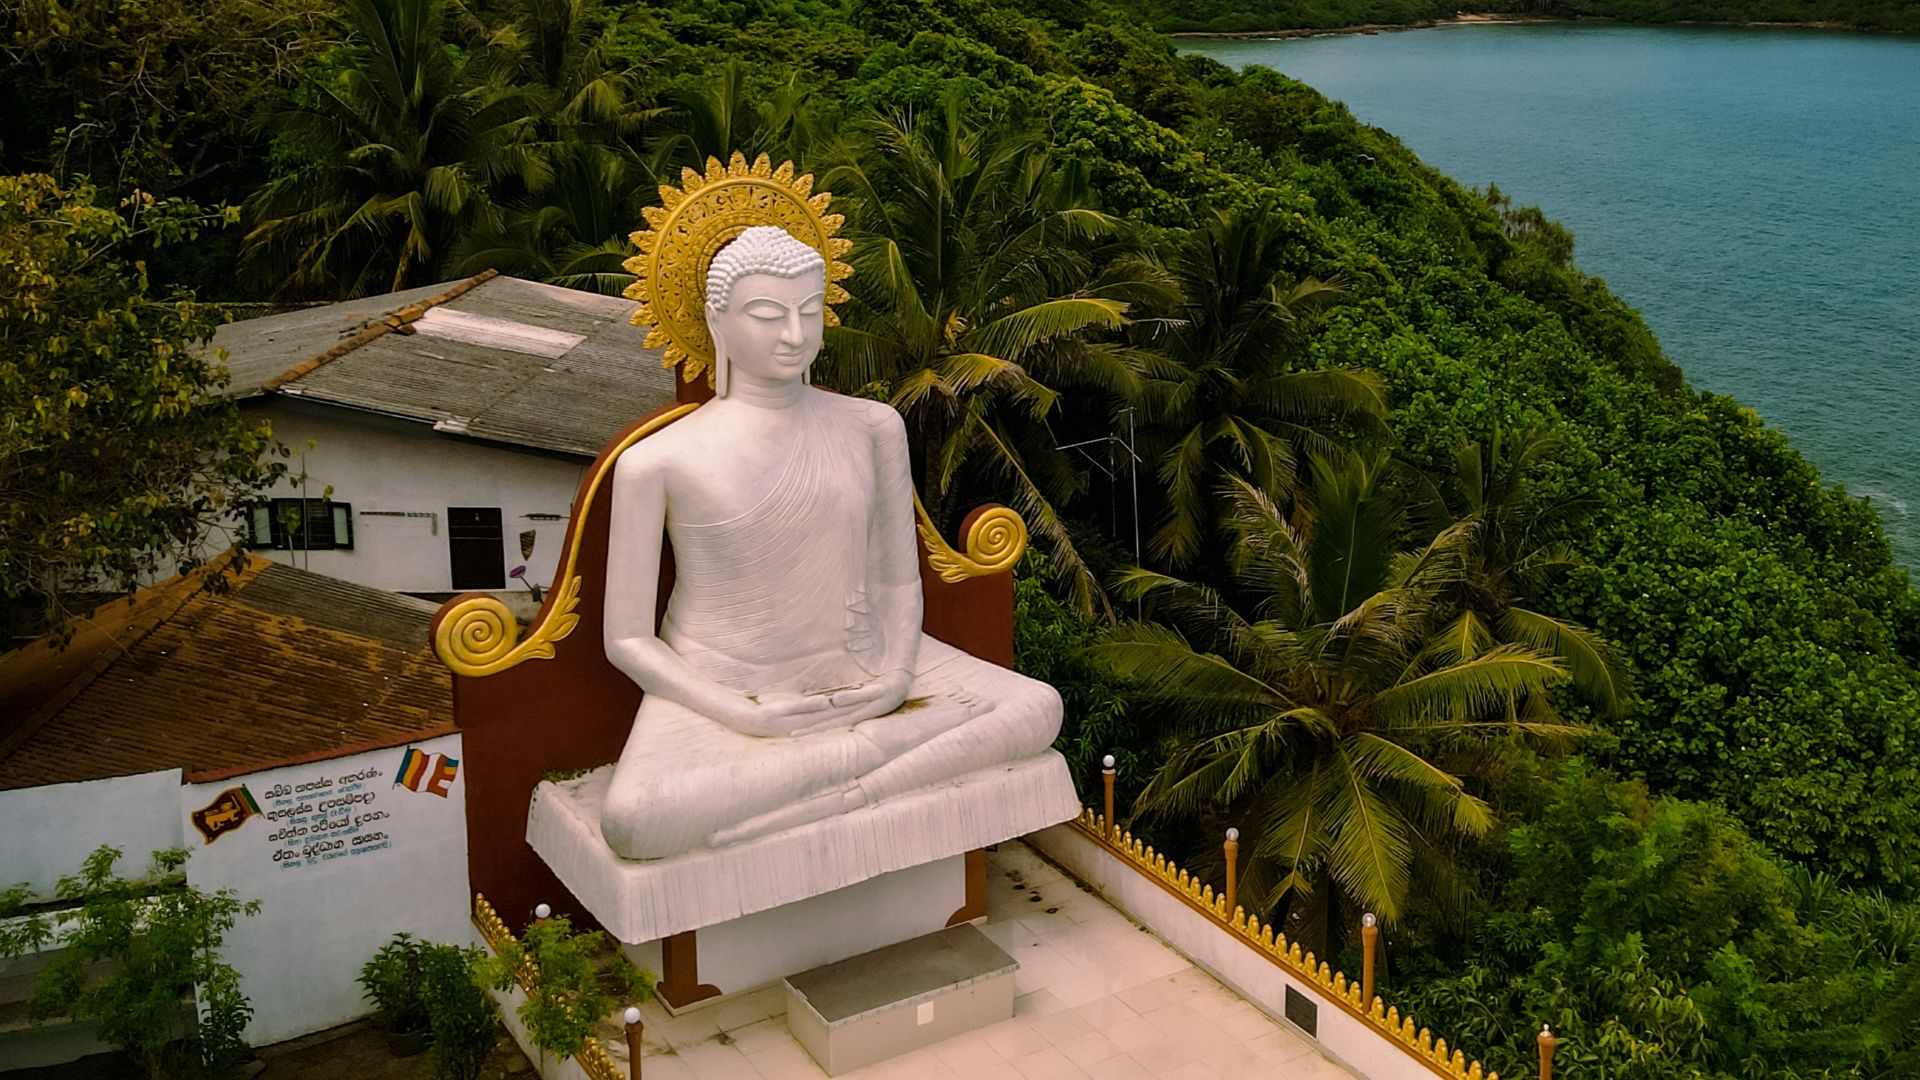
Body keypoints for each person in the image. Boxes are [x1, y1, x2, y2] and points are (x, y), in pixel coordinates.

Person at [598, 226, 1062, 860]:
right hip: (729, 683)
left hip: (870, 662)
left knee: (1037, 708)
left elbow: (898, 580)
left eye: (809, 312)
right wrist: (744, 715)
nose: (794, 335)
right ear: (717, 319)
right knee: (636, 819)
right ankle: (878, 766)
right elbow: (627, 638)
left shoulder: (871, 425)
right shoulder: (657, 463)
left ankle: (846, 790)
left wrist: (898, 675)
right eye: (766, 314)